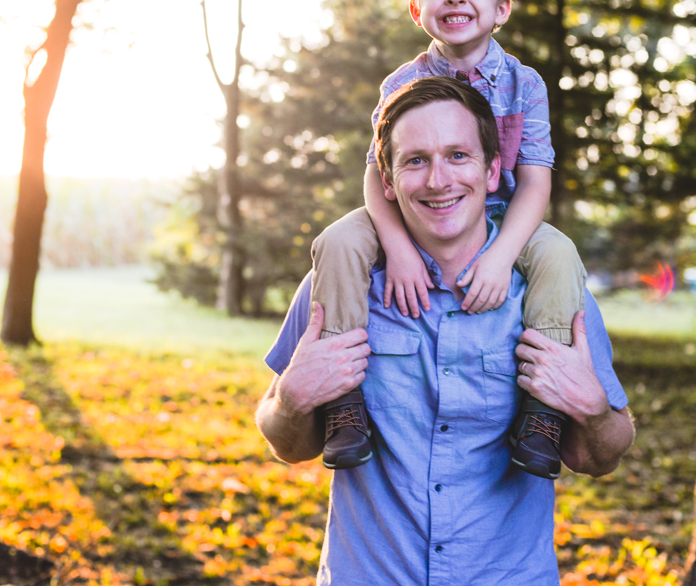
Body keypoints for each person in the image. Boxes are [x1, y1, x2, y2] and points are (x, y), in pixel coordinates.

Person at [255, 77, 633, 585]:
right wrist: (290, 401)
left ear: (493, 169)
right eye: (415, 160)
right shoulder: (342, 281)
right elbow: (288, 444)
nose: (438, 180)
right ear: (386, 180)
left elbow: (599, 456)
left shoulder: (553, 291)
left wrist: (591, 408)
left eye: (458, 155)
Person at [309, 0, 587, 477]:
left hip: (501, 219)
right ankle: (343, 400)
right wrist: (399, 248)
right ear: (417, 8)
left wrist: (503, 254)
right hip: (406, 212)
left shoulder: (524, 84)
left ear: (502, 7)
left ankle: (543, 412)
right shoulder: (401, 84)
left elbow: (534, 182)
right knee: (337, 240)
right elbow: (377, 177)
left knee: (557, 255)